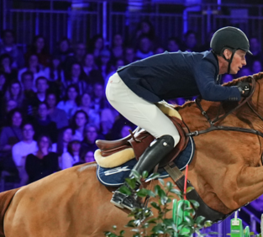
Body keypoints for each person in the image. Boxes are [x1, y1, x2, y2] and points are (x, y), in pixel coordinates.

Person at [106, 26, 250, 209]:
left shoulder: (212, 72)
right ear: (227, 53)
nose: (244, 62)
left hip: (139, 91)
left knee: (179, 127)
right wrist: (238, 92)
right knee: (170, 136)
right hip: (125, 89)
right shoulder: (205, 63)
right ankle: (126, 191)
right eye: (242, 56)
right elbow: (210, 92)